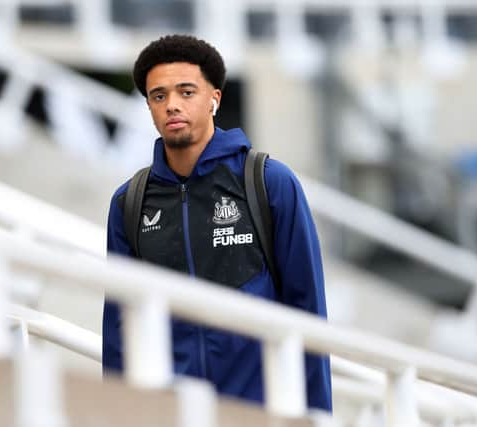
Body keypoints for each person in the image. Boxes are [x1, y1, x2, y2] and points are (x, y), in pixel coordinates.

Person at [103, 34, 331, 411]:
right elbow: (119, 325)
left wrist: (316, 416)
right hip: (171, 410)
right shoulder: (129, 202)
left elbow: (307, 309)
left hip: (260, 408)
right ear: (149, 106)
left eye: (186, 92)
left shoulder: (268, 182)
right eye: (159, 96)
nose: (172, 105)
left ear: (215, 99)